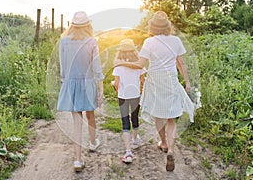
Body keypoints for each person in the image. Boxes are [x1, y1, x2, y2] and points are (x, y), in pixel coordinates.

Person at [114, 11, 193, 171]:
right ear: (167, 27)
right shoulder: (176, 40)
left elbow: (139, 64)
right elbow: (181, 63)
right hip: (170, 79)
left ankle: (162, 142)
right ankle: (170, 149)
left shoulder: (149, 42)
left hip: (155, 80)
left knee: (159, 115)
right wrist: (187, 82)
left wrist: (120, 62)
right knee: (171, 118)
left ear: (152, 27)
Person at [57, 11, 104, 172]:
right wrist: (101, 88)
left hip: (72, 85)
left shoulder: (63, 42)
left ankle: (77, 160)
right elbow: (96, 66)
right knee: (91, 115)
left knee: (77, 123)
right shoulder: (92, 41)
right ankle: (93, 142)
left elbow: (62, 68)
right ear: (87, 25)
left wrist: (66, 82)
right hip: (88, 83)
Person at [112, 39, 145, 163]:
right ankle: (135, 139)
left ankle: (128, 153)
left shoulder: (118, 66)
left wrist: (113, 84)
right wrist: (140, 90)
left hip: (123, 96)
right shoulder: (138, 65)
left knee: (125, 121)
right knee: (135, 117)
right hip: (135, 95)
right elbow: (143, 80)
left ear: (120, 52)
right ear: (134, 51)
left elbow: (116, 84)